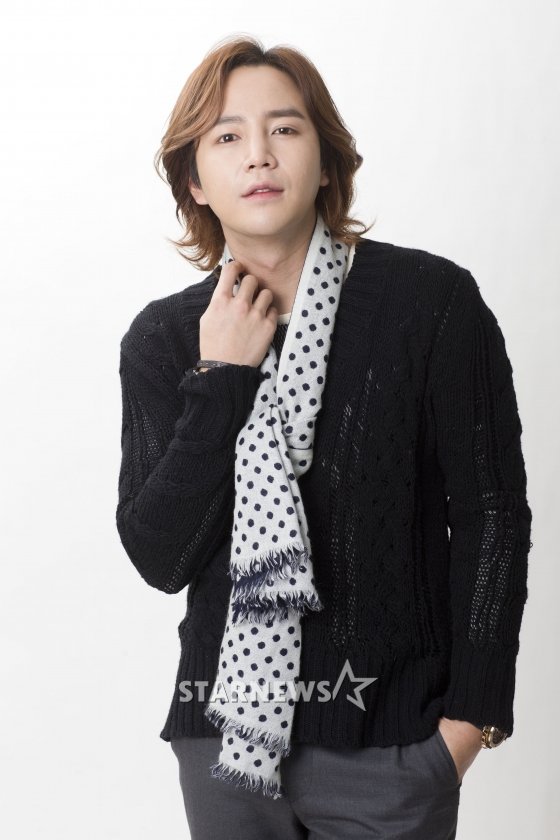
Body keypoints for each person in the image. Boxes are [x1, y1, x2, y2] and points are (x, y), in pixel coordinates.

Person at [116, 34, 533, 840]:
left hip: (393, 749)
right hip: (224, 745)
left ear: (326, 159)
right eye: (227, 137)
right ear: (194, 181)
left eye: (285, 128)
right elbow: (161, 557)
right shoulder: (164, 339)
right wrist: (220, 379)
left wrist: (468, 724)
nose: (259, 154)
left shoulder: (431, 303)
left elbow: (491, 517)